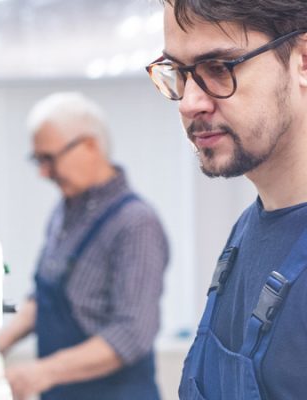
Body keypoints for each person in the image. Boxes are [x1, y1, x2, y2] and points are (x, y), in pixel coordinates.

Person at [146, 1, 307, 399]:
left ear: (303, 60)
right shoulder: (246, 232)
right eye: (180, 74)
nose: (189, 103)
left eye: (219, 68)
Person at [0, 92, 169, 400]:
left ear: (90, 146)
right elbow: (43, 297)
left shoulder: (136, 223)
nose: (43, 172)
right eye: (38, 160)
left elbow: (131, 333)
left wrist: (41, 372)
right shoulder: (64, 211)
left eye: (48, 159)